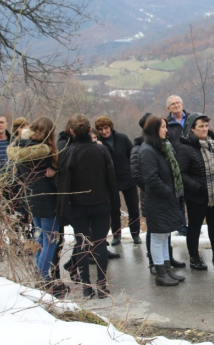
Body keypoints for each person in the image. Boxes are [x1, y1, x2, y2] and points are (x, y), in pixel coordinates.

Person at [57, 114, 120, 299]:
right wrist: (115, 204)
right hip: (101, 204)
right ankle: (102, 284)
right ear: (90, 128)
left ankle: (86, 286)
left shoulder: (69, 152)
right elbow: (112, 179)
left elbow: (64, 183)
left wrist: (62, 210)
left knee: (82, 244)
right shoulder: (102, 151)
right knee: (100, 244)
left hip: (78, 207)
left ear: (71, 131)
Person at [130, 112, 185, 275]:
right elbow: (151, 178)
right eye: (163, 127)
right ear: (154, 129)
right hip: (158, 200)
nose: (166, 130)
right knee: (157, 237)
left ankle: (167, 270)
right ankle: (161, 273)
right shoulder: (147, 150)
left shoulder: (160, 147)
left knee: (164, 235)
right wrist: (168, 191)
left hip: (165, 199)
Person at [177, 113, 214, 270]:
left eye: (206, 126)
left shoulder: (213, 143)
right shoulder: (185, 148)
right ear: (192, 129)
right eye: (200, 126)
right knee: (195, 227)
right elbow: (182, 174)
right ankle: (194, 258)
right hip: (197, 196)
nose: (204, 129)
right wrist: (199, 187)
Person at [7, 117, 59, 285]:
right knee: (50, 240)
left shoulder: (20, 147)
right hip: (46, 198)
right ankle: (43, 278)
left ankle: (38, 273)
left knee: (40, 238)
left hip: (30, 197)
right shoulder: (44, 153)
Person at [95, 116, 141, 245]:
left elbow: (132, 155)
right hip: (110, 181)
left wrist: (134, 172)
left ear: (111, 127)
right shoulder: (97, 143)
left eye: (106, 128)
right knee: (114, 209)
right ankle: (116, 235)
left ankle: (135, 233)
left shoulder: (122, 138)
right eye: (100, 129)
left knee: (133, 208)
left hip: (128, 177)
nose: (104, 132)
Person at [165, 94, 190, 236]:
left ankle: (194, 225)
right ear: (168, 108)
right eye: (172, 104)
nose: (176, 105)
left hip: (192, 162)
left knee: (193, 197)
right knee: (179, 197)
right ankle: (181, 226)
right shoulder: (166, 123)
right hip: (175, 165)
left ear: (182, 104)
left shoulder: (192, 119)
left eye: (178, 103)